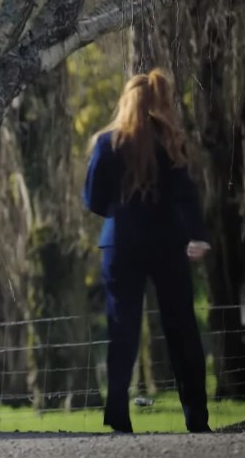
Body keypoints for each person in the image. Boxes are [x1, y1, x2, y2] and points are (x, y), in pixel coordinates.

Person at [83, 69, 212, 434]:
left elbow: (93, 199)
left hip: (120, 243)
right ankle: (196, 417)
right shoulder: (170, 141)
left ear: (126, 101)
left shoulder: (108, 143)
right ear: (158, 101)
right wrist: (196, 236)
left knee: (122, 329)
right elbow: (186, 196)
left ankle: (119, 416)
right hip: (167, 243)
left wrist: (123, 211)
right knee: (182, 328)